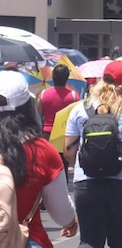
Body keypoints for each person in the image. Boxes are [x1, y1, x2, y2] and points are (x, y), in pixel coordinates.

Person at [64, 60, 122, 248]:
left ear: (101, 80)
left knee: (89, 241)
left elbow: (69, 152)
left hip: (87, 182)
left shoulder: (80, 109)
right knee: (121, 242)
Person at [1, 70, 78, 248]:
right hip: (25, 238)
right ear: (28, 107)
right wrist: (71, 223)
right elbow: (61, 211)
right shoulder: (41, 151)